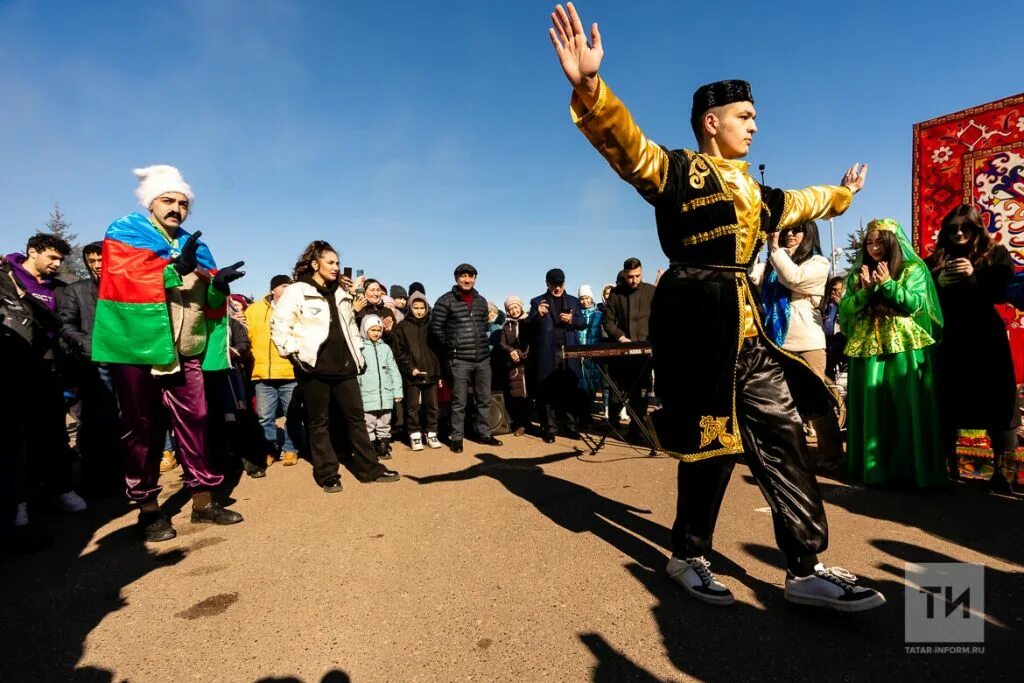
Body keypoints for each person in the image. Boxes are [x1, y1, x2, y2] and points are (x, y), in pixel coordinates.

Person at [550, 2, 883, 611]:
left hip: (751, 334)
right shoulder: (679, 172)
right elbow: (629, 149)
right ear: (712, 121)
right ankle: (688, 555)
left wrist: (843, 195)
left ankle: (804, 568)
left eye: (755, 116)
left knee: (782, 435)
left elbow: (803, 200)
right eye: (745, 116)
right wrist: (591, 87)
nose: (754, 126)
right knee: (712, 446)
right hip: (699, 325)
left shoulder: (755, 190)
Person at [92, 165, 245, 541]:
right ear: (151, 202)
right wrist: (173, 270)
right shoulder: (126, 231)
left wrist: (217, 286)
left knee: (196, 422)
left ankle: (203, 502)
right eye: (168, 200)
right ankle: (147, 509)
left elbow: (204, 298)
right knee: (140, 428)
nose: (176, 208)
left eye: (183, 203)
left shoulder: (196, 244)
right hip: (138, 350)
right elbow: (124, 282)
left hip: (185, 349)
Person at [271, 241, 400, 492]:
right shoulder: (298, 290)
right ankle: (327, 473)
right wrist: (294, 355)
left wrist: (359, 354)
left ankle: (369, 469)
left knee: (355, 419)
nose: (335, 267)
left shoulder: (341, 292)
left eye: (337, 263)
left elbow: (350, 325)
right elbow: (279, 325)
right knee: (319, 423)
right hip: (314, 368)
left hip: (345, 367)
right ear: (315, 263)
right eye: (330, 262)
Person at [841, 219, 945, 488]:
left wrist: (887, 284)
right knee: (873, 407)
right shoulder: (858, 273)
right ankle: (876, 472)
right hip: (868, 347)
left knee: (905, 406)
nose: (874, 247)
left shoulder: (913, 269)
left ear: (892, 242)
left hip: (905, 347)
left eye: (879, 241)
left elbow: (915, 304)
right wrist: (865, 293)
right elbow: (847, 309)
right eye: (869, 242)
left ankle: (912, 470)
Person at [927, 205, 1019, 493]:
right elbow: (922, 300)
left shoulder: (996, 254)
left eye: (965, 228)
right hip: (950, 338)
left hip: (985, 338)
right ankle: (948, 467)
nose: (958, 233)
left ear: (977, 228)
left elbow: (1002, 293)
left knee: (998, 403)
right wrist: (937, 284)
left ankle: (1003, 473)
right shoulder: (935, 259)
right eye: (953, 227)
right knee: (947, 401)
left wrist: (974, 275)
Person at [3, 233, 86, 530]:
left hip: (50, 368)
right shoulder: (6, 278)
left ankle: (62, 489)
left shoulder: (59, 290)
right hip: (13, 366)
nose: (56, 264)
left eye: (61, 259)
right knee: (17, 439)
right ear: (32, 252)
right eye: (51, 257)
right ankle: (18, 502)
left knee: (53, 432)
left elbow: (64, 325)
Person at [752, 221, 843, 469]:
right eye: (787, 230)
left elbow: (793, 277)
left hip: (806, 341)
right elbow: (751, 277)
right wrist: (756, 244)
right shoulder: (773, 261)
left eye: (797, 230)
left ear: (809, 233)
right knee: (781, 401)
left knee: (817, 399)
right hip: (776, 341)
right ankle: (791, 452)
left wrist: (775, 249)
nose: (790, 234)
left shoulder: (817, 263)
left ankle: (832, 453)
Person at [58, 241, 122, 494]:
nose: (97, 265)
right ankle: (96, 479)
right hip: (94, 364)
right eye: (91, 261)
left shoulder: (124, 288)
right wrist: (89, 344)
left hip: (125, 362)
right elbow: (65, 324)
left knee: (125, 419)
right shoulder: (76, 290)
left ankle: (124, 475)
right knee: (97, 422)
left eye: (101, 259)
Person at [430, 263, 503, 453]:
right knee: (459, 401)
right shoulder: (445, 300)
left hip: (482, 359)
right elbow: (435, 327)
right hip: (459, 359)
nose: (467, 279)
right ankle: (457, 437)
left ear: (475, 279)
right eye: (463, 276)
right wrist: (451, 346)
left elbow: (484, 327)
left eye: (470, 276)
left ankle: (484, 434)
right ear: (456, 278)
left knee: (484, 399)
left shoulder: (481, 301)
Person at [245, 275, 300, 467]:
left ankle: (290, 449)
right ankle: (270, 449)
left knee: (292, 414)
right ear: (273, 290)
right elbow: (247, 337)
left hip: (289, 371)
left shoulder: (296, 309)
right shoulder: (253, 310)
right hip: (262, 373)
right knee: (264, 416)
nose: (288, 289)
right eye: (284, 286)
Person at [528, 268, 586, 443]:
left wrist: (572, 320)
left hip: (569, 352)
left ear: (564, 283)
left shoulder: (574, 301)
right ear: (547, 283)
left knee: (570, 390)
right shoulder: (537, 301)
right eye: (554, 284)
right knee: (547, 392)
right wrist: (538, 314)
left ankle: (570, 427)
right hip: (547, 353)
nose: (557, 288)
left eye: (560, 284)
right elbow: (529, 326)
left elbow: (583, 323)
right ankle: (550, 429)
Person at [602, 257, 655, 434]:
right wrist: (620, 337)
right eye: (631, 276)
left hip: (645, 355)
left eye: (638, 276)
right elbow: (608, 322)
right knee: (618, 392)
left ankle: (636, 430)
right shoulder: (616, 294)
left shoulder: (651, 291)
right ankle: (613, 424)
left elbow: (660, 319)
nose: (634, 280)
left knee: (640, 394)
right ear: (625, 274)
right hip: (623, 354)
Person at [393, 292, 443, 451]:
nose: (420, 311)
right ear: (410, 307)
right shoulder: (402, 326)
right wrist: (409, 369)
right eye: (416, 307)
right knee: (412, 406)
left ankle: (432, 433)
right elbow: (399, 352)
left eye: (422, 308)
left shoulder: (432, 325)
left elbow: (439, 351)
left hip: (431, 372)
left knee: (432, 406)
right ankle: (414, 435)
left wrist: (439, 373)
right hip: (412, 373)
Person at [358, 314, 404, 460]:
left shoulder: (385, 348)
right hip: (367, 393)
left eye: (379, 330)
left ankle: (383, 444)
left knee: (384, 421)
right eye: (373, 330)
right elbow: (357, 373)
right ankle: (371, 446)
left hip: (386, 393)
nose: (376, 333)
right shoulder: (360, 348)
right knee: (369, 422)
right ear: (365, 330)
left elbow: (394, 370)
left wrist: (397, 391)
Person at [499, 296, 532, 436]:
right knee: (516, 395)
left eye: (515, 307)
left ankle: (530, 422)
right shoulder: (507, 326)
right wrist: (511, 351)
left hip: (529, 364)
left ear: (521, 307)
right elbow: (502, 343)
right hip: (514, 366)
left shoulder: (528, 322)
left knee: (529, 394)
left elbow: (532, 340)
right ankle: (521, 424)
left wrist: (521, 353)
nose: (513, 310)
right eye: (510, 308)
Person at [576, 285, 603, 414]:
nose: (584, 301)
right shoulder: (576, 314)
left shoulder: (599, 314)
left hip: (594, 354)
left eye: (586, 298)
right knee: (581, 385)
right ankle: (583, 414)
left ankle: (590, 412)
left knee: (593, 384)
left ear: (591, 298)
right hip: (579, 355)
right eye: (581, 298)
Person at [821, 276, 846, 380]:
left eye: (836, 290)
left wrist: (841, 305)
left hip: (842, 338)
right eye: (831, 289)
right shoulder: (827, 303)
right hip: (827, 337)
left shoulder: (846, 302)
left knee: (829, 359)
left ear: (843, 289)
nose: (833, 293)